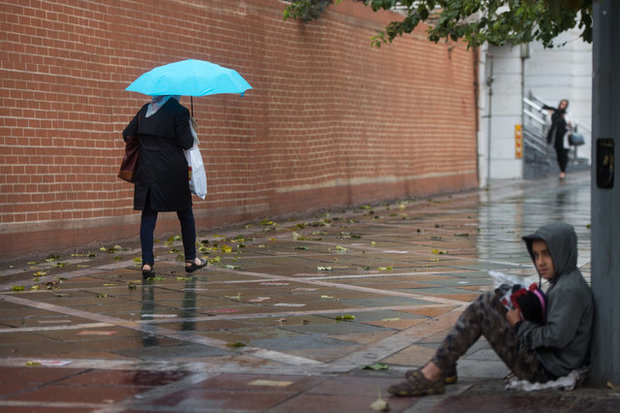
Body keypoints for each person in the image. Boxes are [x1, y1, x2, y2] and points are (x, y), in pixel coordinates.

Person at [388, 222, 593, 397]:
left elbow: (554, 338)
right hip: (546, 360)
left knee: (482, 309)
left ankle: (435, 372)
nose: (540, 262)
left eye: (547, 254)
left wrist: (519, 324)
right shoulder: (565, 282)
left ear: (563, 251)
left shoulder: (569, 290)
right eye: (536, 255)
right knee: (494, 301)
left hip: (545, 370)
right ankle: (444, 365)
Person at [123, 95, 207, 278]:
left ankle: (147, 263)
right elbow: (186, 143)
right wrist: (191, 126)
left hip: (147, 170)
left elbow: (126, 134)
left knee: (148, 216)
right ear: (174, 94)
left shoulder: (144, 111)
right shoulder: (180, 112)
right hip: (172, 171)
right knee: (185, 213)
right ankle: (191, 259)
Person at [545, 100, 573, 180]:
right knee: (559, 155)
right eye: (562, 104)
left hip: (565, 137)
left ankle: (563, 171)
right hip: (557, 137)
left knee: (564, 155)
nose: (563, 105)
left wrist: (567, 121)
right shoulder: (555, 114)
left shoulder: (567, 114)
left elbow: (571, 124)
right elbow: (549, 124)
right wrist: (549, 115)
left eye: (565, 104)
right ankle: (562, 170)